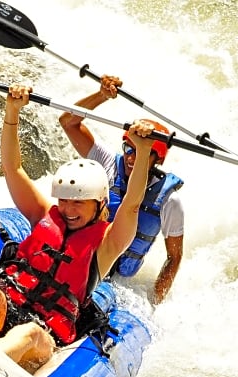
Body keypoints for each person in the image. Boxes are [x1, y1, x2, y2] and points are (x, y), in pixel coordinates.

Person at [0, 84, 156, 372]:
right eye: (65, 201)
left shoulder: (106, 244)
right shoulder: (43, 214)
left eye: (79, 204)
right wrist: (12, 112)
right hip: (8, 303)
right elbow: (13, 168)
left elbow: (132, 205)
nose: (68, 210)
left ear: (99, 204)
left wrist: (143, 151)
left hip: (45, 333)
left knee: (27, 334)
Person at [59, 74, 185, 304]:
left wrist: (155, 300)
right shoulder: (107, 162)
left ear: (156, 159)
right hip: (83, 259)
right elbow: (68, 121)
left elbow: (174, 257)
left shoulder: (170, 201)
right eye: (129, 148)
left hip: (117, 283)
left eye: (140, 151)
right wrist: (102, 96)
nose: (131, 157)